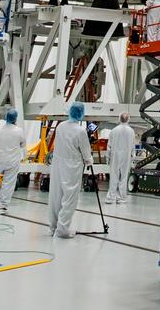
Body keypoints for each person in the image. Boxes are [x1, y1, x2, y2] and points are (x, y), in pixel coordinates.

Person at [49, 102, 93, 239]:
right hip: (72, 166)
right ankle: (62, 230)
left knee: (56, 196)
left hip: (57, 164)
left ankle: (54, 227)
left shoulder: (60, 127)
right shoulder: (80, 131)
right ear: (81, 113)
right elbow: (86, 151)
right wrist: (89, 161)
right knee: (69, 197)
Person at [0, 109, 27, 214]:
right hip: (12, 161)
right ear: (15, 118)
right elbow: (23, 144)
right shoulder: (19, 131)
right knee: (8, 184)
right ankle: (1, 207)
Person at [105, 113, 135, 205]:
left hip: (115, 156)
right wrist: (132, 158)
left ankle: (110, 198)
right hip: (126, 157)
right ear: (128, 119)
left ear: (119, 119)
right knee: (124, 177)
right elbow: (133, 146)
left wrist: (108, 158)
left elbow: (109, 146)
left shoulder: (114, 130)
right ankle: (122, 198)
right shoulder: (131, 131)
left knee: (114, 177)